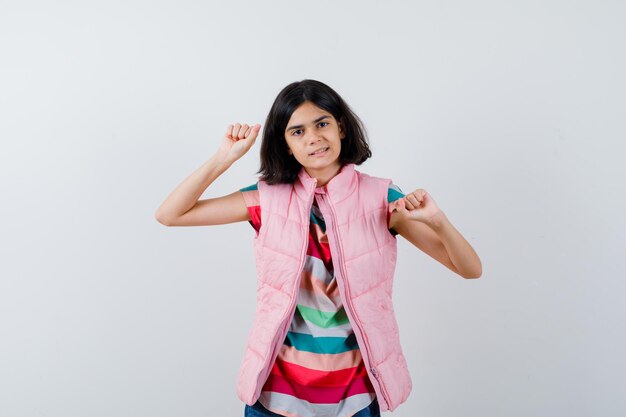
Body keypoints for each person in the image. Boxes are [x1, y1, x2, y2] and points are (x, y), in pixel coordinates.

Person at [155, 79, 482, 417]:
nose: (313, 138)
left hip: (354, 399)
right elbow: (170, 214)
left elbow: (470, 269)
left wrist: (438, 221)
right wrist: (223, 158)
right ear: (284, 145)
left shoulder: (381, 200)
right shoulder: (266, 199)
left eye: (322, 123)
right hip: (274, 397)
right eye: (297, 131)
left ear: (340, 127)